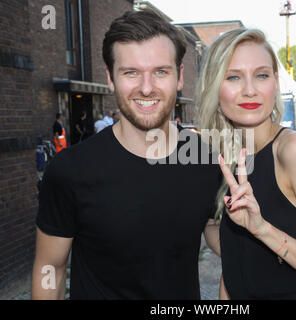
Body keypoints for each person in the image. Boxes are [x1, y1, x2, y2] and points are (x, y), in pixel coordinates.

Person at [32, 9, 221, 300]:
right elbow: (50, 267)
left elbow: (218, 233)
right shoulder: (70, 170)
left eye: (160, 71)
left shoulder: (205, 160)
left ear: (180, 77)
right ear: (110, 78)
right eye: (131, 72)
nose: (146, 88)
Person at [197, 28, 296, 300]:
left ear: (275, 83)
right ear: (214, 87)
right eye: (234, 77)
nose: (250, 90)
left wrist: (263, 230)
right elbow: (232, 252)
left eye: (261, 75)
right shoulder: (227, 158)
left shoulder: (294, 151)